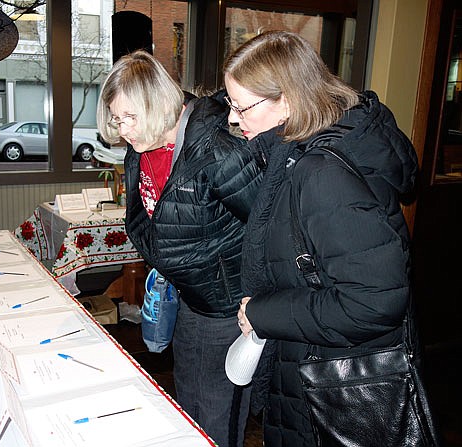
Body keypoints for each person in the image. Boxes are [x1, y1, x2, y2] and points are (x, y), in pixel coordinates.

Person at [224, 31, 419, 446]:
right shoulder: (294, 157)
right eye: (230, 104)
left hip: (332, 381)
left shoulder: (321, 173)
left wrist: (264, 314)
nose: (233, 118)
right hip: (310, 363)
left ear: (289, 102)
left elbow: (373, 302)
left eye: (242, 106)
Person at [97, 50, 261, 447]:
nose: (124, 130)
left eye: (130, 117)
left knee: (218, 416)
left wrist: (259, 305)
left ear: (156, 104)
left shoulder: (217, 151)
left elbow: (268, 226)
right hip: (192, 297)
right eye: (117, 119)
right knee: (187, 403)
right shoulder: (140, 150)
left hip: (229, 308)